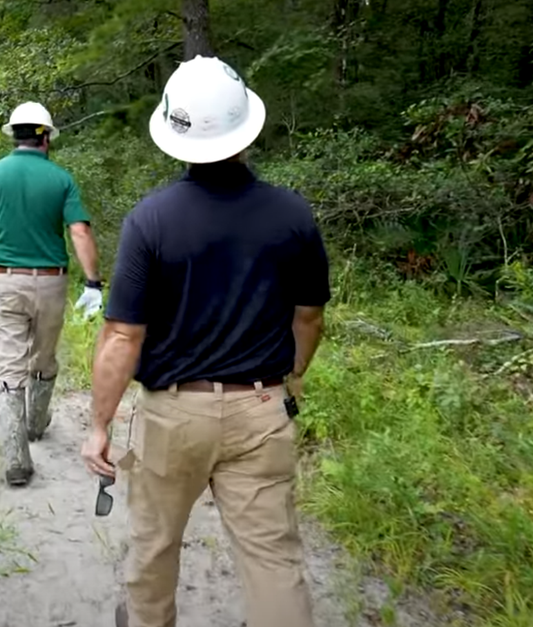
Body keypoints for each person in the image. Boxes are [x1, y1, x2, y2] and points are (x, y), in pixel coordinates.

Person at [81, 56, 331, 627]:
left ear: (175, 133)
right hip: (262, 410)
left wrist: (100, 425)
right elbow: (309, 316)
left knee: (154, 544)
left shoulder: (151, 220)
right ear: (246, 127)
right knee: (273, 559)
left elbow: (123, 334)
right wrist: (287, 380)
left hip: (173, 416)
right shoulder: (293, 215)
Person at [0, 101, 105, 487]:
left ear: (15, 135)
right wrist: (93, 282)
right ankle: (37, 423)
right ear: (45, 137)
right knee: (43, 357)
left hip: (6, 282)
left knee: (9, 366)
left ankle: (16, 456)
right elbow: (80, 232)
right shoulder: (61, 178)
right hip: (52, 283)